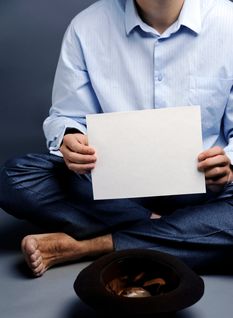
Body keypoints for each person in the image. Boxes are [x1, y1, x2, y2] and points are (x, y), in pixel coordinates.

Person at [1, 0, 233, 277]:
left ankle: (89, 246)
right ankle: (182, 232)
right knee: (15, 179)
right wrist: (70, 136)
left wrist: (228, 162)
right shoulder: (86, 27)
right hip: (116, 193)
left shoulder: (227, 21)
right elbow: (66, 116)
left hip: (203, 188)